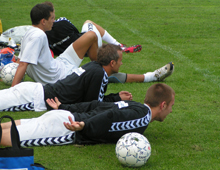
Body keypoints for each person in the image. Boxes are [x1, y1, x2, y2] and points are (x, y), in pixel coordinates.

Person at [0, 83, 175, 147]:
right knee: (7, 138)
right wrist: (85, 126)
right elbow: (111, 117)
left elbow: (95, 105)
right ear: (163, 105)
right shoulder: (142, 117)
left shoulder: (133, 104)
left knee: (6, 127)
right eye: (171, 106)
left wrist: (65, 107)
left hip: (64, 116)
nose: (171, 111)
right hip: (67, 128)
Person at [0, 44, 132, 112]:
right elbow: (93, 106)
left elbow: (91, 100)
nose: (122, 63)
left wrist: (116, 97)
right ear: (112, 63)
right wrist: (117, 99)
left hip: (34, 90)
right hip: (35, 98)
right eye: (120, 60)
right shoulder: (100, 74)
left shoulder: (93, 66)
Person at [11, 3, 102, 86]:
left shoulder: (29, 33)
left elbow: (20, 61)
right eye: (52, 18)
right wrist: (12, 91)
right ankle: (101, 72)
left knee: (91, 35)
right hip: (62, 75)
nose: (54, 21)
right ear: (43, 21)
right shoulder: (39, 36)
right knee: (92, 35)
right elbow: (23, 64)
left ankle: (100, 71)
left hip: (59, 64)